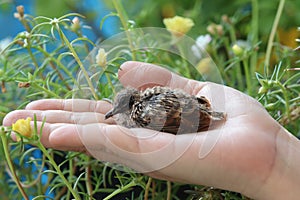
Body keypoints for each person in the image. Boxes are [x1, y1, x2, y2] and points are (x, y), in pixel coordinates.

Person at [3, 61, 300, 199]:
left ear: (129, 105)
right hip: (206, 111)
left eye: (119, 111)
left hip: (202, 116)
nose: (117, 115)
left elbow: (182, 115)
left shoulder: (143, 114)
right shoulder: (149, 97)